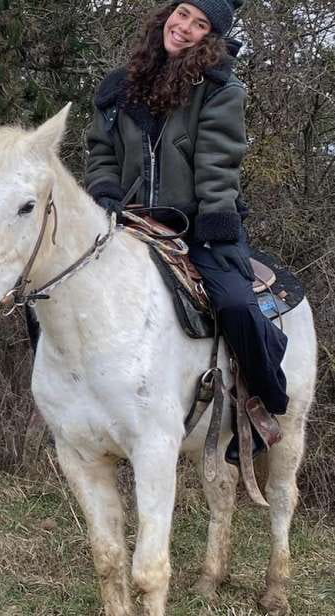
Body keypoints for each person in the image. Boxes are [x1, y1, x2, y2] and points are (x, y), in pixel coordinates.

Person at [85, 0, 288, 462]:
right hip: (131, 221)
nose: (186, 28)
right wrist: (105, 193)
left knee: (236, 305)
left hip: (200, 224)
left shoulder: (219, 88)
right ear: (166, 15)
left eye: (201, 25)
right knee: (53, 291)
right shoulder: (119, 86)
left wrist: (215, 222)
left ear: (210, 36)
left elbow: (218, 162)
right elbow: (100, 150)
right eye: (183, 14)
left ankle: (265, 403)